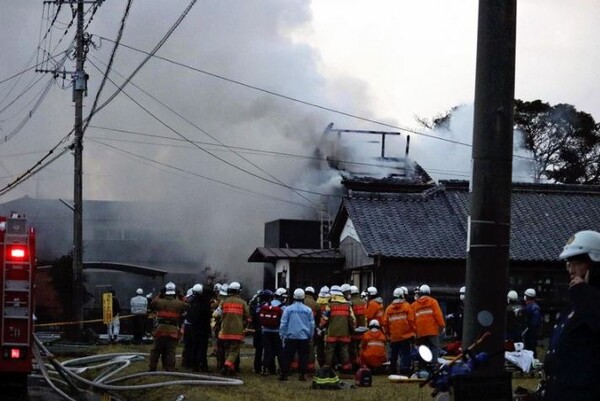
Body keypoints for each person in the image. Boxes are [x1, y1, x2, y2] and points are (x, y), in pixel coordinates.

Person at [543, 230, 600, 401]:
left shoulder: (587, 299)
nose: (571, 270)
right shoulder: (575, 302)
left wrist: (583, 293)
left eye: (576, 263)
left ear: (594, 265)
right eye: (568, 264)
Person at [148, 282, 188, 371]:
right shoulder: (179, 303)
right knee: (171, 350)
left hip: (160, 329)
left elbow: (152, 304)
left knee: (156, 350)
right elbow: (187, 305)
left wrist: (159, 294)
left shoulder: (159, 302)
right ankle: (170, 367)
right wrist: (181, 296)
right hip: (173, 330)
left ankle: (152, 367)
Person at [279, 288, 315, 381]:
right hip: (304, 337)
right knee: (303, 357)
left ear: (294, 297)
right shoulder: (308, 310)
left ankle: (284, 374)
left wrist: (282, 334)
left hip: (291, 336)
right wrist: (310, 335)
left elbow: (283, 323)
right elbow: (312, 324)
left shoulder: (288, 309)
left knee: (287, 356)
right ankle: (302, 375)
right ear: (303, 297)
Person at [320, 285, 355, 372]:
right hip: (344, 333)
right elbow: (352, 320)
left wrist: (321, 327)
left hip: (332, 333)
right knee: (344, 350)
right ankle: (346, 369)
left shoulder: (329, 305)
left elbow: (324, 319)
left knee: (330, 351)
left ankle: (327, 369)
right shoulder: (347, 306)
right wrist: (351, 331)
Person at [218, 281, 250, 376]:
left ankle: (230, 370)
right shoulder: (243, 303)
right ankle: (226, 366)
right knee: (234, 351)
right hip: (237, 331)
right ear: (238, 291)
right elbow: (248, 317)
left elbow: (217, 314)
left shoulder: (223, 302)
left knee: (228, 350)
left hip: (224, 331)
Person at [383, 287, 416, 375]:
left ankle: (393, 369)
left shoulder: (389, 309)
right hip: (406, 336)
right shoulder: (407, 306)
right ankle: (404, 369)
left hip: (394, 336)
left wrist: (388, 334)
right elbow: (411, 321)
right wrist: (414, 333)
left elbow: (385, 323)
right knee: (405, 353)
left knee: (394, 354)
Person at [412, 284, 445, 361]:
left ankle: (423, 367)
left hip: (420, 332)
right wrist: (442, 326)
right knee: (434, 348)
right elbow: (438, 316)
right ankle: (434, 366)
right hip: (432, 331)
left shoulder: (414, 305)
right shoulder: (433, 302)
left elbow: (412, 320)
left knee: (423, 350)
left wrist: (414, 332)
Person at [259, 287, 286, 375]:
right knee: (279, 351)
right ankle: (282, 369)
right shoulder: (283, 307)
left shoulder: (267, 304)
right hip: (277, 332)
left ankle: (264, 368)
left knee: (267, 351)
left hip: (265, 331)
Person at [186, 283, 212, 372]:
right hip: (203, 328)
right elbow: (208, 315)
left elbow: (189, 316)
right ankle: (203, 365)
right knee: (203, 348)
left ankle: (194, 365)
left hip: (193, 327)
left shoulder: (191, 301)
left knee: (195, 346)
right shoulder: (205, 302)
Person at [349, 285, 367, 369]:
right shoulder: (364, 302)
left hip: (355, 330)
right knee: (362, 348)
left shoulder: (350, 303)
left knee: (353, 348)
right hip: (364, 329)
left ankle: (355, 364)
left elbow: (351, 317)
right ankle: (362, 363)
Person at [522, 287, 542, 357]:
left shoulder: (528, 307)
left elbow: (525, 321)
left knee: (528, 349)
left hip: (529, 332)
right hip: (534, 332)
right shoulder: (536, 306)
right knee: (533, 349)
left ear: (527, 297)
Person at [314, 286, 330, 367]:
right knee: (328, 347)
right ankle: (327, 363)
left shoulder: (317, 303)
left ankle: (320, 362)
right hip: (327, 328)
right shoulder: (329, 303)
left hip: (318, 328)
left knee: (319, 346)